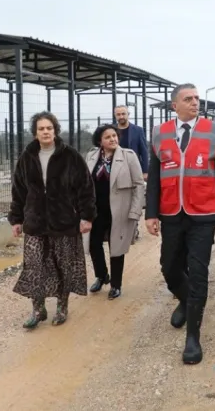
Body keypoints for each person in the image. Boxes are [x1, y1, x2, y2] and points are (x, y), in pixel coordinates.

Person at [146, 83, 215, 364]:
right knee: (169, 266)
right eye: (188, 99)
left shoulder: (214, 131)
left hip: (204, 213)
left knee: (197, 271)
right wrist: (150, 213)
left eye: (197, 98)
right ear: (175, 106)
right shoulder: (160, 133)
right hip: (171, 212)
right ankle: (185, 300)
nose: (195, 102)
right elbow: (154, 176)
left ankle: (193, 336)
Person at [8, 111, 95, 329]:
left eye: (49, 128)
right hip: (35, 222)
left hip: (64, 221)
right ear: (35, 133)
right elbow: (18, 190)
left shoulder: (70, 156)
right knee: (35, 265)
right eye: (41, 129)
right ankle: (38, 309)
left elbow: (86, 188)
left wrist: (86, 216)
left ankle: (62, 307)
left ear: (55, 130)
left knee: (62, 265)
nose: (45, 132)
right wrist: (16, 219)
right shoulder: (27, 157)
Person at [84, 124, 145, 300]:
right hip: (96, 210)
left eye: (114, 136)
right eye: (107, 137)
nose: (113, 139)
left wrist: (135, 211)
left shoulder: (128, 156)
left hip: (119, 211)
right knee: (93, 244)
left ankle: (116, 285)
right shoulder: (91, 156)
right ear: (100, 141)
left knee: (116, 247)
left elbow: (139, 184)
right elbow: (85, 183)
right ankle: (102, 276)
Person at [114, 104, 149, 243]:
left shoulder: (137, 130)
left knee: (134, 200)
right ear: (115, 116)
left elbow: (144, 151)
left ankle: (133, 228)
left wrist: (145, 171)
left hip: (133, 170)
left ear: (128, 114)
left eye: (123, 114)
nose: (121, 117)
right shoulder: (112, 130)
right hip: (116, 171)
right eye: (118, 114)